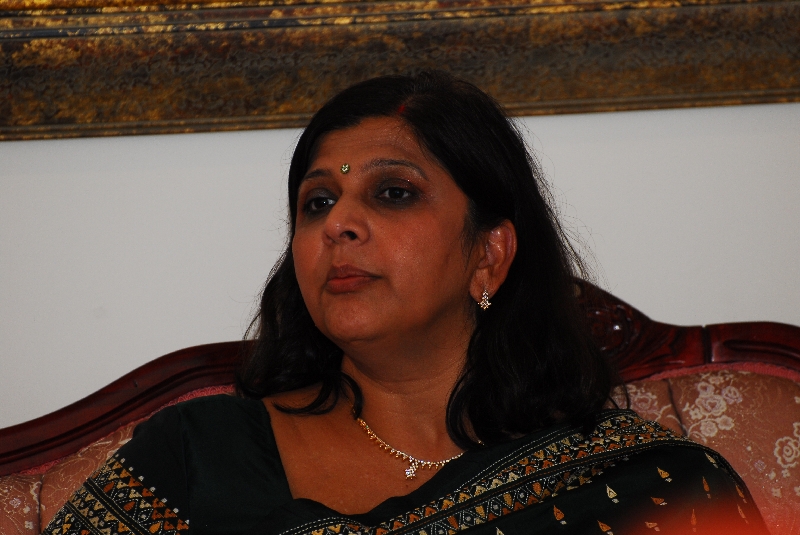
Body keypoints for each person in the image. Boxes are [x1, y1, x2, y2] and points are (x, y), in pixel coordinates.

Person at [42, 72, 767, 535]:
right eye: (318, 202)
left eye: (393, 193)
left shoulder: (646, 486)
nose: (339, 224)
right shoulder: (196, 454)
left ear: (488, 253)